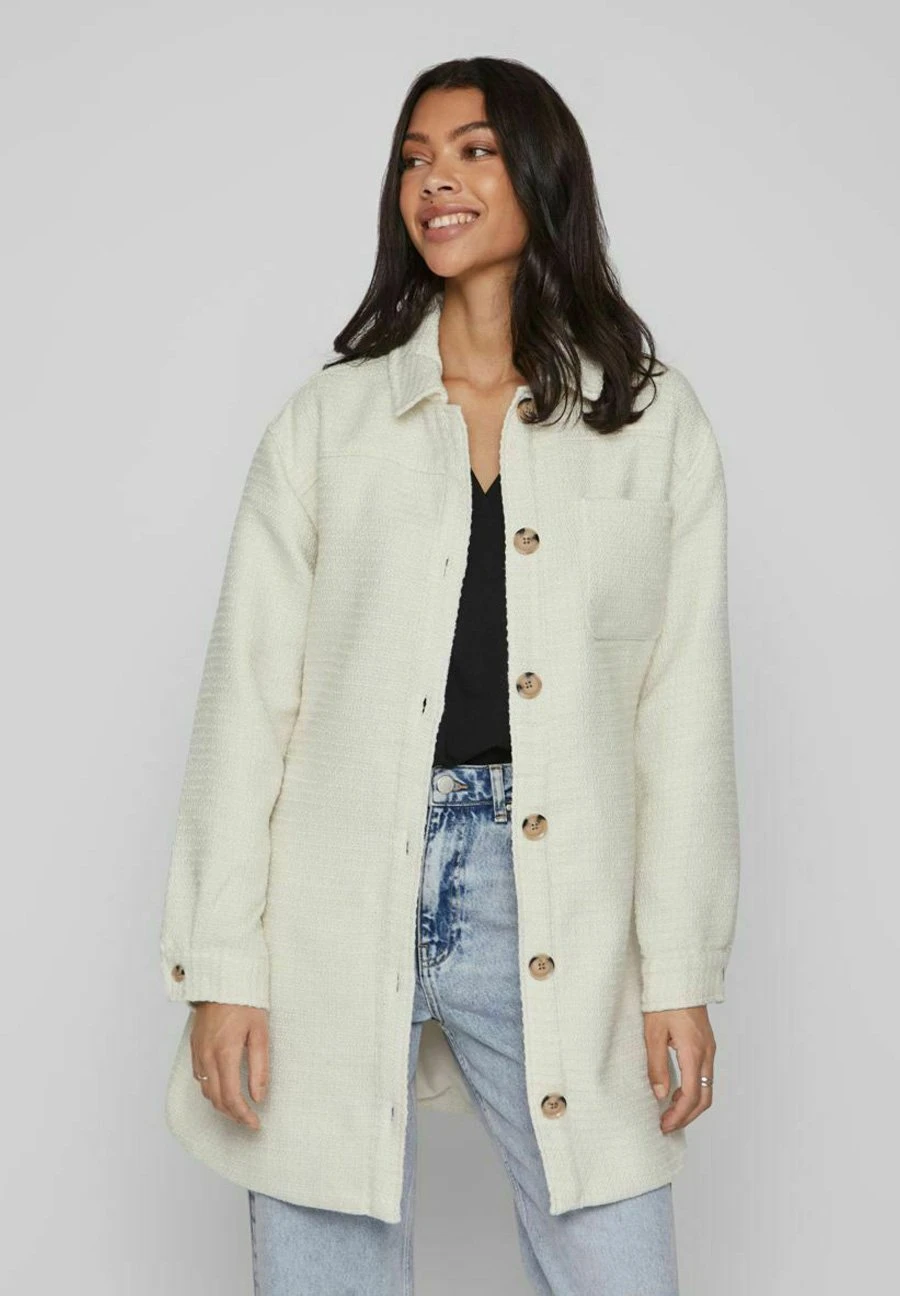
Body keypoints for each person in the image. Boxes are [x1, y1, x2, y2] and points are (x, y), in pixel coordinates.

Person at [159, 55, 740, 1296]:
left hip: (559, 892)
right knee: (324, 1262)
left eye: (473, 151)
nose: (436, 181)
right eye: (415, 158)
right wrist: (223, 965)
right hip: (333, 887)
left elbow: (680, 717)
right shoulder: (327, 426)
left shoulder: (650, 424)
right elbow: (248, 705)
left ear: (541, 174)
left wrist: (679, 973)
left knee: (618, 1263)